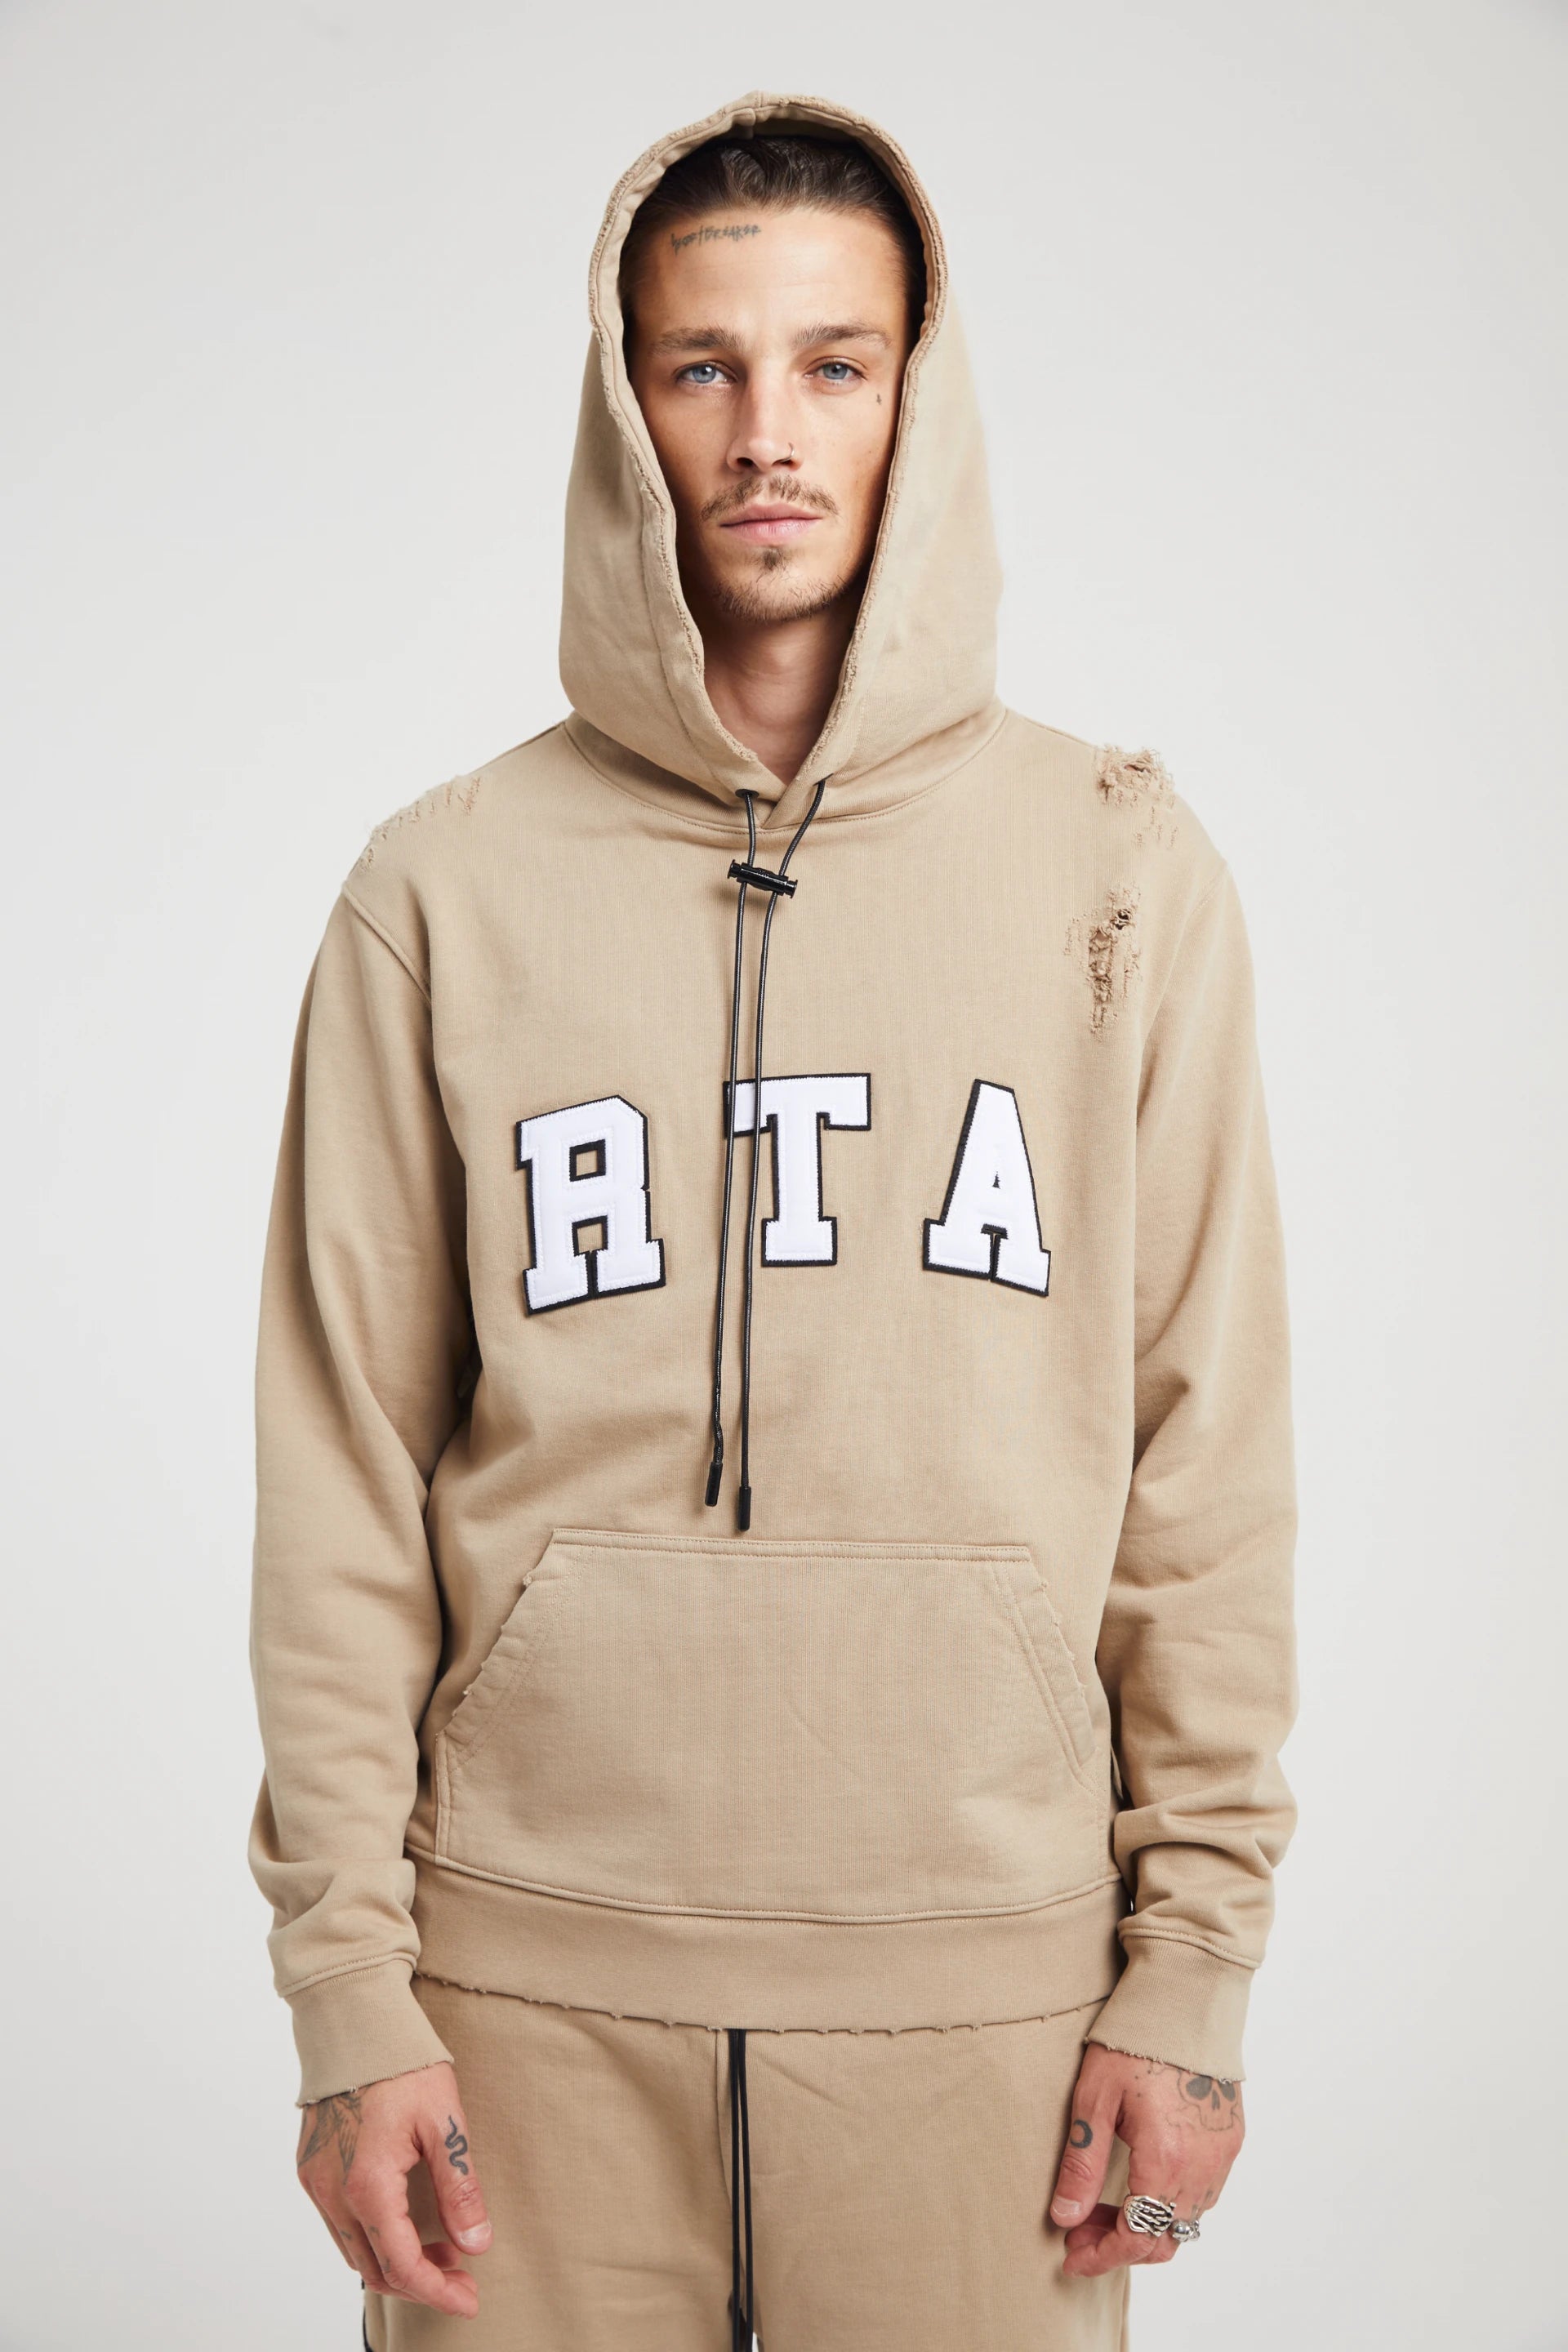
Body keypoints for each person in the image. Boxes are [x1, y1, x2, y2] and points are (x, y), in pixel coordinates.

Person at [247, 89, 1298, 2352]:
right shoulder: (441, 893)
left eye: (836, 361)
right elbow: (340, 1482)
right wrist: (349, 1992)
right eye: (702, 367)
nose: (767, 435)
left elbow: (1204, 1458)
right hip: (521, 2002)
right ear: (626, 405)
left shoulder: (1121, 872)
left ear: (923, 390)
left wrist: (1194, 1971)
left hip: (989, 2008)